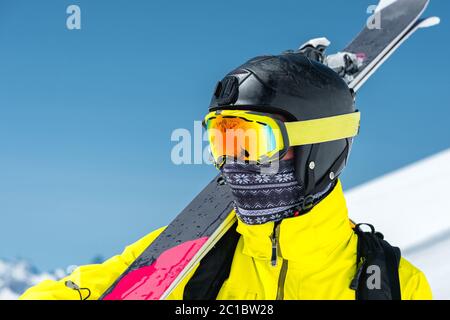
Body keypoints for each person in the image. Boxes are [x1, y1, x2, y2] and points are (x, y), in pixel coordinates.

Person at [21, 51, 432, 300]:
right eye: (222, 140)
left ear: (316, 149)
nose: (234, 162)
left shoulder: (392, 286)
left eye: (250, 141)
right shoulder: (186, 252)